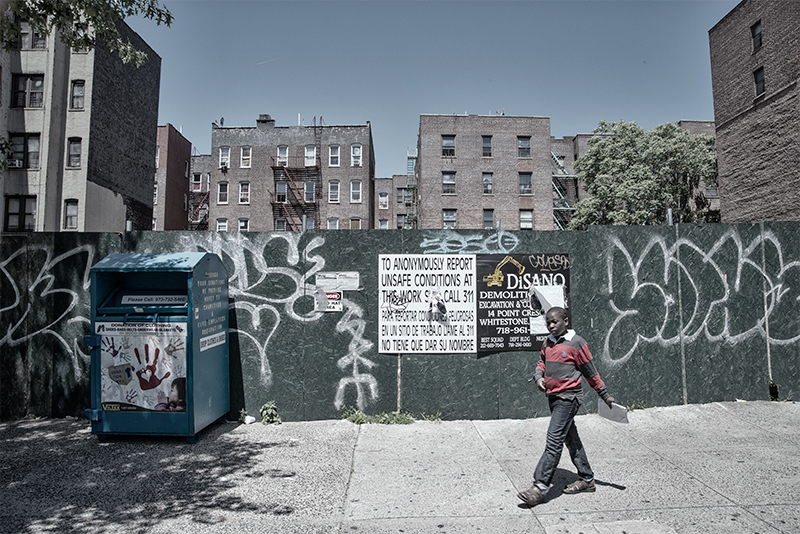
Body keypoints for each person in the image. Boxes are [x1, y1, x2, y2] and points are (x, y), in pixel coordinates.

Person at [518, 306, 615, 506]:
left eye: (555, 322)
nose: (551, 326)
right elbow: (541, 363)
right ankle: (587, 479)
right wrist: (538, 377)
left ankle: (540, 487)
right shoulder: (548, 342)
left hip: (568, 399)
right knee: (571, 439)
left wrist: (604, 395)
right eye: (548, 323)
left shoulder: (577, 343)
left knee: (553, 441)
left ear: (566, 321)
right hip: (553, 398)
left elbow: (590, 372)